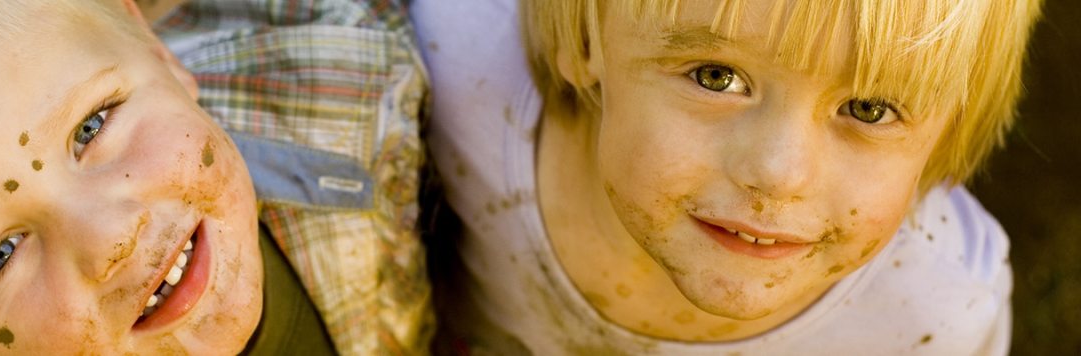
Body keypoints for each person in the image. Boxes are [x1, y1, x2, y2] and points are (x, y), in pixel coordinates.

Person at [0, 0, 432, 354]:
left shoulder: (352, 85)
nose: (110, 241)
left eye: (91, 126)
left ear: (160, 55)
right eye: (2, 255)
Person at [411, 0, 1039, 354]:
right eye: (715, 76)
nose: (778, 174)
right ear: (587, 40)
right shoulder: (451, 70)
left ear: (946, 131)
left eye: (869, 110)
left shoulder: (934, 313)